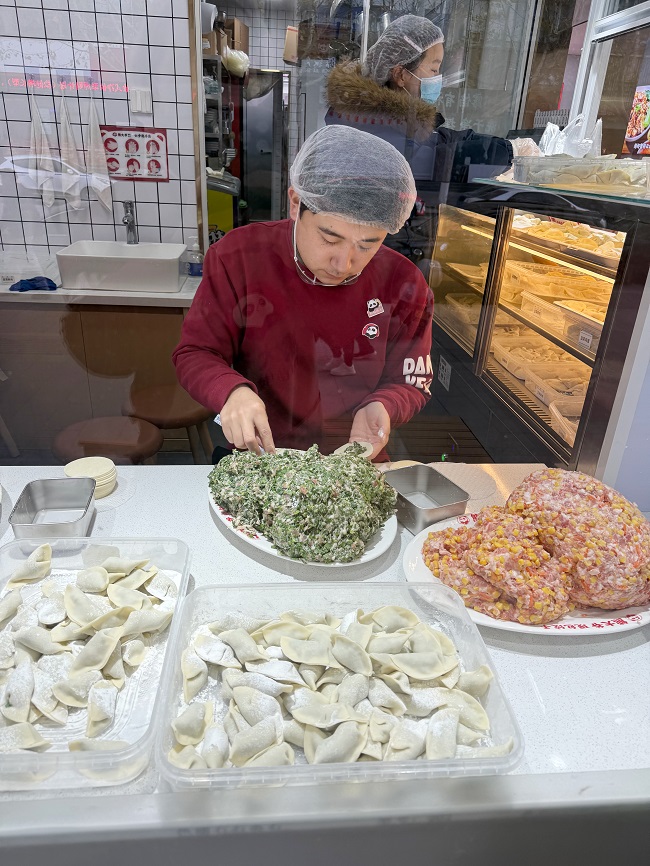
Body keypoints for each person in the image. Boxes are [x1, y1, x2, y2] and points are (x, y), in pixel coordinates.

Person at [173, 126, 434, 462]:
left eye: (367, 245)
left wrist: (385, 405)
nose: (344, 264)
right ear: (295, 203)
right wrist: (231, 390)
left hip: (353, 462)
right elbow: (196, 352)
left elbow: (411, 379)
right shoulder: (239, 257)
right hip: (262, 455)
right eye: (330, 238)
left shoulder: (404, 282)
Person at [325, 15, 513, 267]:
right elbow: (438, 155)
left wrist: (511, 148)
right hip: (381, 261)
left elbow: (441, 138)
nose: (438, 78)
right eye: (433, 69)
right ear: (400, 74)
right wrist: (509, 151)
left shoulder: (382, 119)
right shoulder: (379, 133)